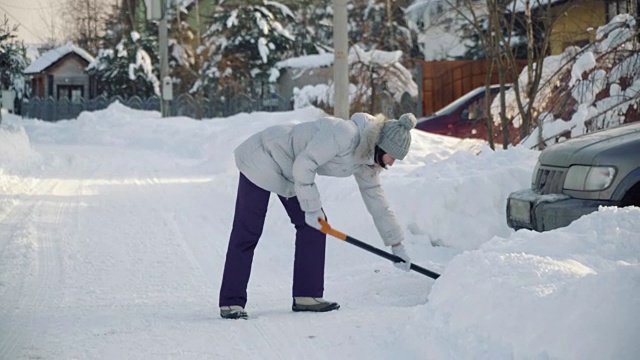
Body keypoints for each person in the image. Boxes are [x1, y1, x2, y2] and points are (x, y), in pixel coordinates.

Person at [219, 112, 417, 319]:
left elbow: (377, 200)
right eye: (392, 156)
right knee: (248, 229)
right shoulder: (344, 134)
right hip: (263, 155)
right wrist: (312, 210)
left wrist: (397, 244)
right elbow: (305, 164)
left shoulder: (367, 160)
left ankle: (307, 296)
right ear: (381, 145)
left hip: (290, 170)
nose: (392, 163)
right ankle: (231, 302)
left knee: (316, 227)